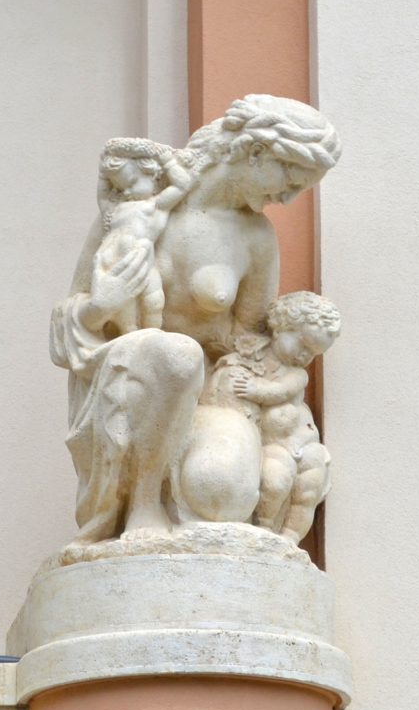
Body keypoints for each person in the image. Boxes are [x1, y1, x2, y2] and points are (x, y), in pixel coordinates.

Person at [49, 95, 340, 542]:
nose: (287, 198)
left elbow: (251, 341)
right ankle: (143, 503)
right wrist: (102, 305)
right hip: (131, 389)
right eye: (290, 179)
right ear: (255, 151)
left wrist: (281, 405)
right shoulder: (139, 208)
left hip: (207, 396)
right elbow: (65, 329)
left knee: (220, 492)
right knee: (176, 353)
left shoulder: (256, 237)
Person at [206, 292, 340, 544]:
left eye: (312, 353)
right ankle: (265, 528)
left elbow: (280, 391)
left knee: (308, 489)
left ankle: (290, 535)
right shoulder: (243, 357)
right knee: (275, 481)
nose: (305, 357)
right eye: (303, 345)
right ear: (281, 327)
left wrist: (256, 390)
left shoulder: (297, 374)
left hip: (302, 443)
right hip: (273, 446)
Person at [93, 137, 197, 334]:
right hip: (114, 262)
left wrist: (167, 160)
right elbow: (103, 194)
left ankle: (152, 334)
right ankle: (129, 332)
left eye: (132, 183)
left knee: (154, 301)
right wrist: (103, 171)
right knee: (125, 305)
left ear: (152, 175)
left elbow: (182, 185)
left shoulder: (155, 205)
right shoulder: (114, 209)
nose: (127, 192)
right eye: (120, 188)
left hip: (144, 261)